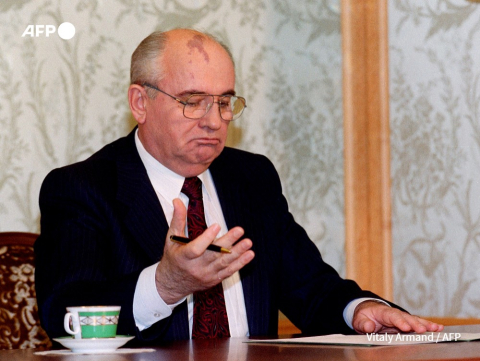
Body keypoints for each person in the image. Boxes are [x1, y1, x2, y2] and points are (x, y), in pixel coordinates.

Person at [35, 28, 443, 343]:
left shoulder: (251, 178)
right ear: (140, 102)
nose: (214, 121)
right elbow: (64, 316)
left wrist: (362, 310)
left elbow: (311, 288)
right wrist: (165, 285)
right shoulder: (82, 188)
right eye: (193, 101)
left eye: (225, 101)